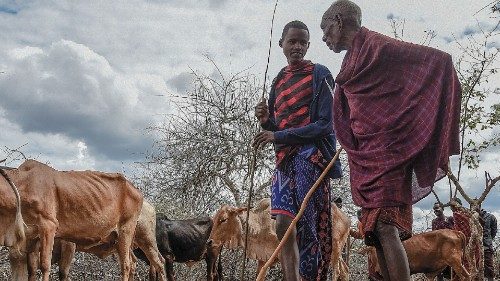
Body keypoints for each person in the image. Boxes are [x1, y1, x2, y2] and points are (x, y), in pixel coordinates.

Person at [320, 1, 461, 280]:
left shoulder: (378, 46)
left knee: (386, 227)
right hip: (367, 156)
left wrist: (404, 124)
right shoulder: (351, 62)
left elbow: (440, 60)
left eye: (325, 31)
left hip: (391, 152)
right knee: (374, 233)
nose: (324, 38)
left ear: (338, 20)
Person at [253, 20, 342, 281]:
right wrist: (266, 121)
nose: (297, 47)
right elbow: (276, 127)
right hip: (283, 161)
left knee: (306, 225)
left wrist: (277, 133)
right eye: (292, 41)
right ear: (281, 44)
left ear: (309, 45)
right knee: (282, 226)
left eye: (303, 42)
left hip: (310, 158)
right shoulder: (278, 81)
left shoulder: (320, 74)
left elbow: (326, 124)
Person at [431, 202, 454, 281]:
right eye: (434, 209)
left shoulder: (450, 219)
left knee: (451, 271)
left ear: (443, 209)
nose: (435, 210)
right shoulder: (434, 222)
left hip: (450, 250)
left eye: (437, 208)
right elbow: (433, 236)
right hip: (438, 250)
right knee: (439, 272)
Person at [479, 207, 497, 281]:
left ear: (479, 206)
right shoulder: (471, 217)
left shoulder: (490, 217)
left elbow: (494, 231)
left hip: (486, 246)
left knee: (489, 265)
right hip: (475, 246)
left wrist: (488, 240)